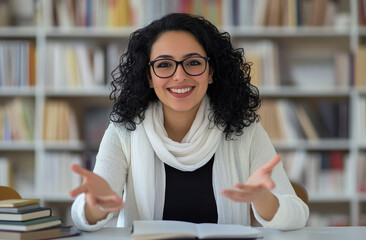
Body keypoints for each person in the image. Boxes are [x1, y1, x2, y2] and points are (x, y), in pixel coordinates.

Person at [69, 13, 309, 231]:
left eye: (193, 62)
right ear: (149, 77)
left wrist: (262, 198)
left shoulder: (245, 130)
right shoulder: (124, 130)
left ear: (211, 71)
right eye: (164, 65)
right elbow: (82, 218)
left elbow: (298, 215)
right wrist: (95, 205)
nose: (180, 75)